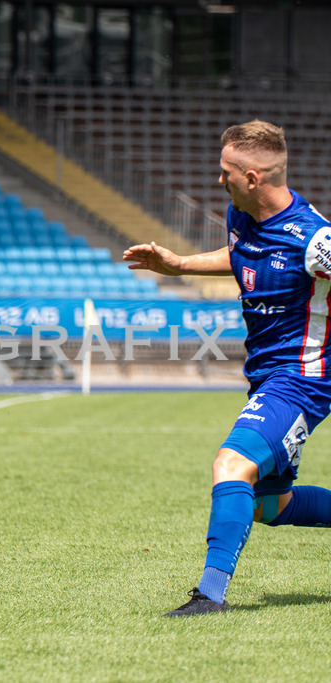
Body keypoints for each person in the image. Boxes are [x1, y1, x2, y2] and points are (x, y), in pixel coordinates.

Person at [124, 120, 331, 617]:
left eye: (227, 172)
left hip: (302, 379)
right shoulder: (242, 217)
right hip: (266, 377)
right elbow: (243, 257)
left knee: (229, 465)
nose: (220, 180)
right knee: (268, 507)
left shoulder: (316, 240)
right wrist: (180, 265)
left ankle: (209, 596)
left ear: (254, 177)